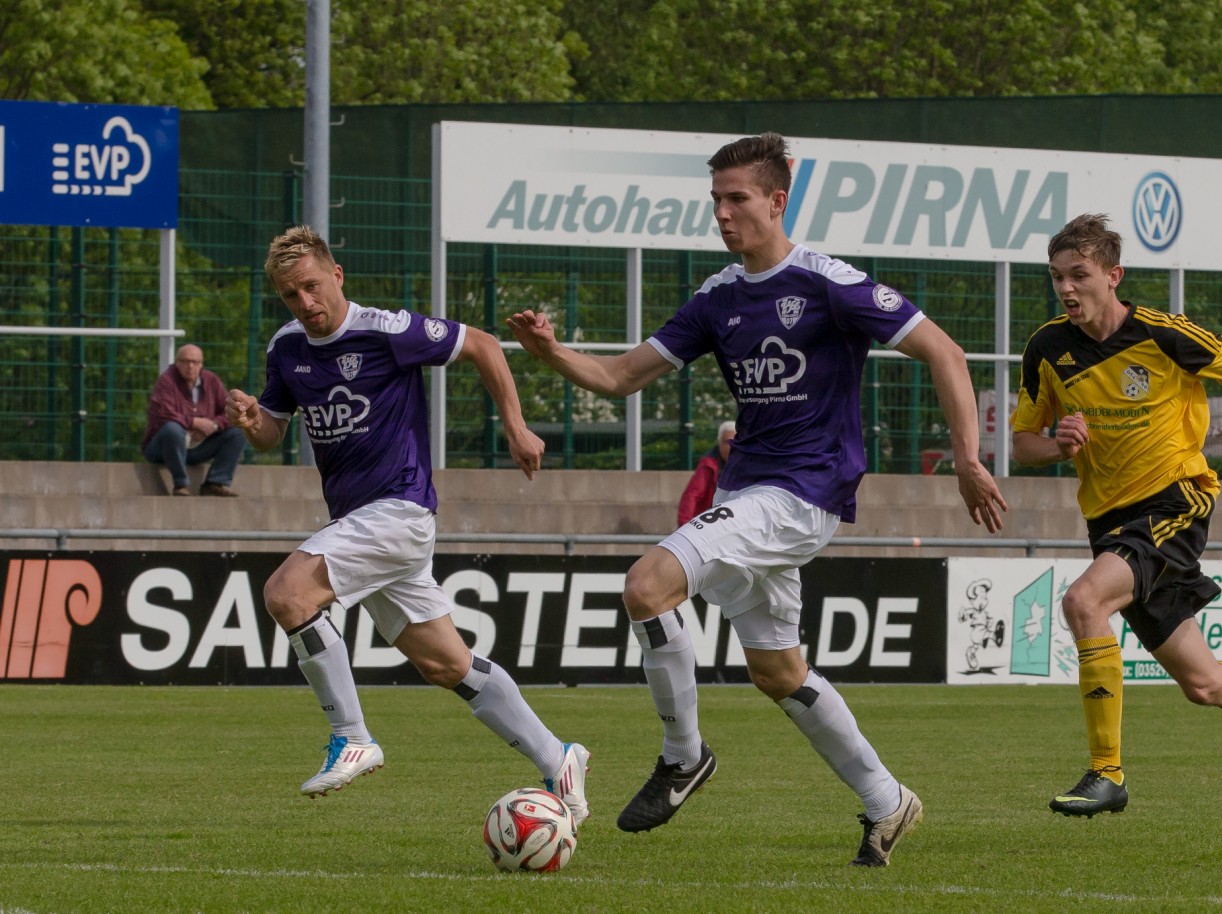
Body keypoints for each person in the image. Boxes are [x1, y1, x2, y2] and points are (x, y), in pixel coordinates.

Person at [509, 132, 1007, 866]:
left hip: (803, 491)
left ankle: (684, 756)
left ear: (778, 201)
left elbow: (944, 350)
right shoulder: (719, 298)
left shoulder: (826, 282)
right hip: (753, 493)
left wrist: (966, 456)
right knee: (777, 671)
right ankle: (886, 799)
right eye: (716, 199)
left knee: (647, 584)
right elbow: (621, 377)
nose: (723, 213)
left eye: (737, 198)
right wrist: (551, 354)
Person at [224, 225, 590, 819]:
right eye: (292, 295)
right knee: (447, 664)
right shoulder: (287, 348)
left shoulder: (385, 330)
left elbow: (485, 344)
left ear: (337, 275)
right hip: (364, 523)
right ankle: (559, 758)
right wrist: (249, 419)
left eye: (313, 287)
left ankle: (352, 737)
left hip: (398, 509)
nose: (306, 303)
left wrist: (516, 427)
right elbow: (271, 431)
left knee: (287, 595)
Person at [1010, 213, 1222, 819]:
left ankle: (1107, 773)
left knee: (1083, 603)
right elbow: (1022, 443)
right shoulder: (1047, 349)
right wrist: (1058, 443)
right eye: (1057, 277)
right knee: (1205, 686)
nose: (1066, 289)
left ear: (1113, 276)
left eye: (1079, 275)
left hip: (1176, 502)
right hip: (1110, 525)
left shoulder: (1163, 334)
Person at [142, 343, 248, 497]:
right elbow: (162, 414)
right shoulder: (166, 381)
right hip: (164, 447)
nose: (190, 366)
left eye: (195, 362)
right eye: (185, 361)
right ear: (177, 362)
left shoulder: (211, 381)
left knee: (238, 432)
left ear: (201, 364)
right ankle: (180, 484)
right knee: (172, 429)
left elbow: (228, 411)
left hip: (198, 446)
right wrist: (194, 423)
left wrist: (214, 425)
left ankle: (215, 483)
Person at [677, 420, 736, 525]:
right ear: (719, 442)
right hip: (710, 522)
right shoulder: (708, 465)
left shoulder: (747, 465)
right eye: (727, 442)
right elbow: (692, 495)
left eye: (734, 442)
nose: (730, 447)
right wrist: (684, 525)